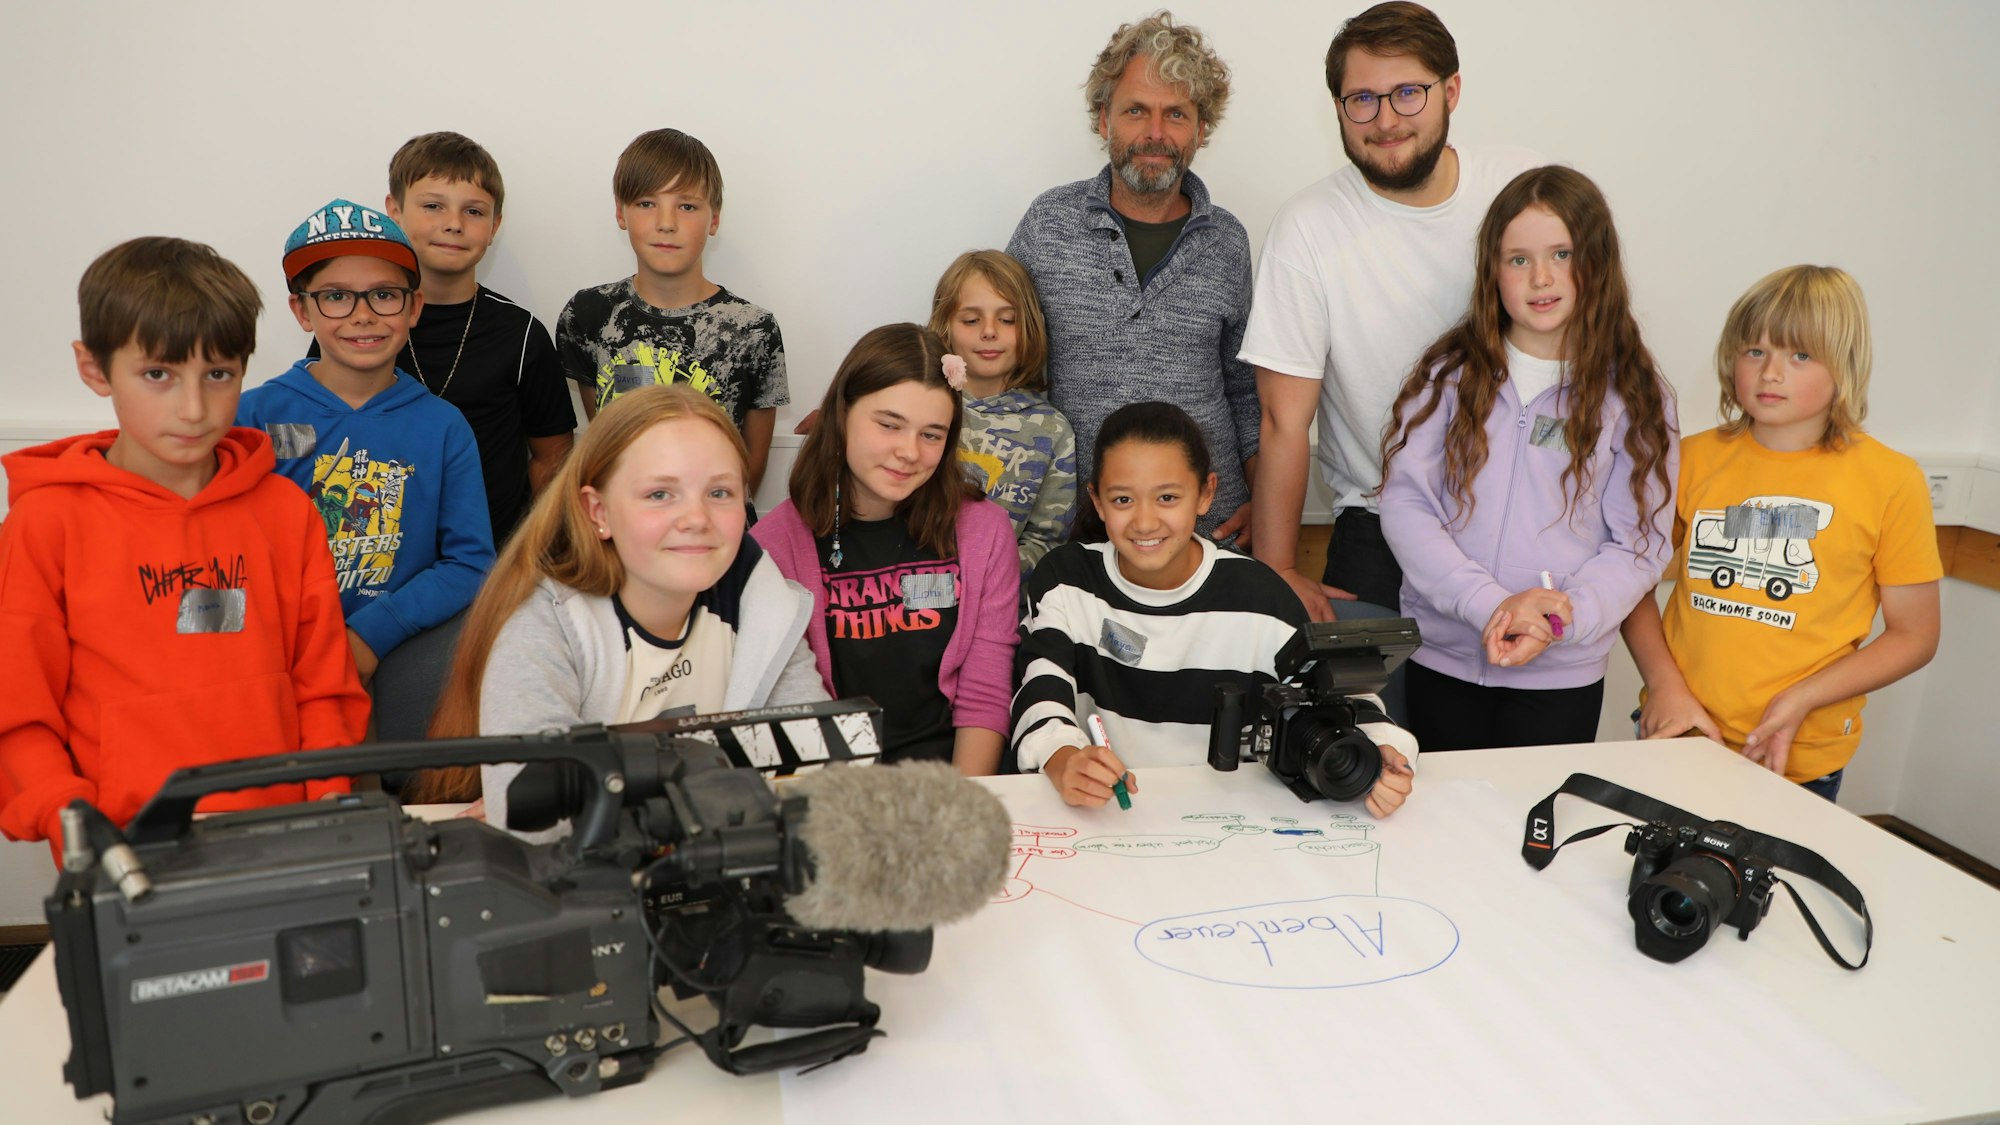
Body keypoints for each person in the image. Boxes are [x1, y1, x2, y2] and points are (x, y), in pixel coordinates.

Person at [0, 237, 368, 856]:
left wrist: (328, 794)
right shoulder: (45, 524)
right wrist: (66, 812)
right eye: (158, 375)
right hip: (127, 851)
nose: (194, 408)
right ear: (94, 369)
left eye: (218, 374)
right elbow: (18, 713)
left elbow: (322, 687)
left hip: (283, 841)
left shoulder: (285, 513)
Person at [1243, 1, 1543, 655]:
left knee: (1519, 753)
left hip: (1524, 522)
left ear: (1451, 90)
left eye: (1408, 92)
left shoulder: (1524, 189)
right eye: (1362, 100)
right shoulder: (1309, 227)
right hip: (1376, 535)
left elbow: (1589, 354)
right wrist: (1276, 568)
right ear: (1338, 108)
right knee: (1376, 746)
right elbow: (1283, 420)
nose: (1385, 119)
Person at [399, 386, 825, 824]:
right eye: (660, 494)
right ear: (598, 512)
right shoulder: (545, 624)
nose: (697, 519)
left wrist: (603, 802)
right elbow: (537, 825)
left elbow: (821, 781)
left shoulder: (763, 598)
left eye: (720, 493)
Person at [1378, 166, 1677, 751]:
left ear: (1597, 262)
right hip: (1445, 659)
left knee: (1530, 830)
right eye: (1518, 259)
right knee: (1442, 827)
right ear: (1492, 270)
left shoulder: (1635, 394)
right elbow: (1407, 505)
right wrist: (1492, 606)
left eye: (1561, 253)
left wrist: (1558, 619)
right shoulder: (1449, 377)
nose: (1541, 277)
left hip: (1561, 676)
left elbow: (1639, 544)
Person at [1622, 266, 1941, 801]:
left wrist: (1802, 699)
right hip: (1679, 731)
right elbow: (1627, 584)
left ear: (1844, 365)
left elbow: (1915, 635)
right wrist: (1665, 686)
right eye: (1754, 352)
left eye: (1799, 355)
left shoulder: (1891, 480)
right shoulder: (1689, 459)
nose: (1771, 373)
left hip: (1798, 755)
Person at [1013, 401, 1416, 814]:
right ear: (1097, 502)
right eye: (1122, 500)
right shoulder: (1065, 580)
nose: (1146, 522)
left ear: (1206, 494)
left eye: (1167, 497)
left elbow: (1348, 704)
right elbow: (1040, 694)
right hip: (1108, 817)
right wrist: (1063, 758)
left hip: (1231, 823)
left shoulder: (1261, 597)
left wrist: (1384, 752)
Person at [1006, 11, 1258, 542]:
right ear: (1103, 120)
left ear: (1202, 128)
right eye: (1136, 111)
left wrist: (1265, 504)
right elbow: (989, 344)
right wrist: (879, 399)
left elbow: (1247, 394)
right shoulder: (1049, 222)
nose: (1155, 134)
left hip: (1209, 532)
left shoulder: (1228, 241)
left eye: (1176, 114)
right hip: (1072, 527)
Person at [237, 199, 497, 685]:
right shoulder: (252, 418)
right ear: (302, 309)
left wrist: (371, 634)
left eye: (384, 295)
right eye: (336, 296)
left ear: (414, 307)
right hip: (272, 658)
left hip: (398, 661)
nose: (362, 315)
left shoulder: (444, 428)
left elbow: (469, 562)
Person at [753, 324, 1019, 774]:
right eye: (889, 425)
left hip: (952, 781)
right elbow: (791, 714)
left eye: (931, 434)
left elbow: (985, 693)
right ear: (841, 415)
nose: (908, 452)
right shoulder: (773, 547)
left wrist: (962, 807)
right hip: (837, 786)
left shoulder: (984, 531)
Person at [558, 128, 788, 494]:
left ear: (714, 219)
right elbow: (604, 436)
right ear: (621, 212)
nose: (667, 222)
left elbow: (748, 474)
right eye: (647, 203)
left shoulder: (753, 329)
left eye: (687, 205)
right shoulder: (588, 315)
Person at [375, 131, 575, 545]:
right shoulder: (358, 324)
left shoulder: (522, 336)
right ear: (394, 211)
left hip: (491, 560)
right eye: (433, 206)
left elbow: (552, 458)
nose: (453, 223)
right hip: (380, 555)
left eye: (474, 211)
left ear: (495, 225)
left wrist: (535, 556)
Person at [929, 249, 1078, 578]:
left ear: (1029, 328)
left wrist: (983, 572)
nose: (989, 331)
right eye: (971, 320)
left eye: (1007, 319)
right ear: (946, 328)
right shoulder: (922, 406)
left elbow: (1047, 542)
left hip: (1002, 604)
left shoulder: (1053, 432)